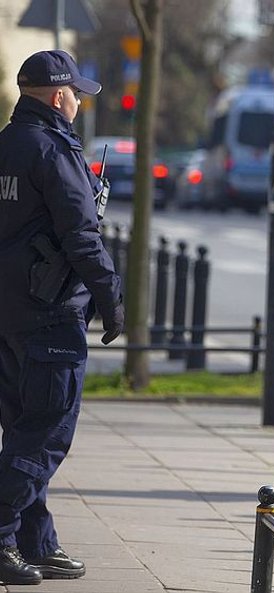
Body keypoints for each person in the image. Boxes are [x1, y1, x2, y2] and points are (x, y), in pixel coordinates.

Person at [0, 50, 124, 585]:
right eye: (76, 93)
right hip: (49, 313)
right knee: (46, 431)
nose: (78, 102)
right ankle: (2, 534)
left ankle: (34, 542)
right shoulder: (52, 150)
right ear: (58, 96)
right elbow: (81, 235)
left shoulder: (5, 145)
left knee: (22, 427)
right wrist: (113, 299)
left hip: (7, 314)